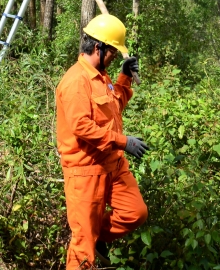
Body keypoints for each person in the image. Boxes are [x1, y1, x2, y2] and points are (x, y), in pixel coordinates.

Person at [55, 13, 148, 269]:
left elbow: (114, 106)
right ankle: (87, 237)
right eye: (112, 54)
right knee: (83, 246)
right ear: (98, 47)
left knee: (135, 212)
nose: (114, 57)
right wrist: (123, 141)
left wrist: (124, 76)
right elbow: (82, 127)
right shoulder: (76, 81)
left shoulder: (102, 75)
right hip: (86, 171)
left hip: (113, 165)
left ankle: (95, 233)